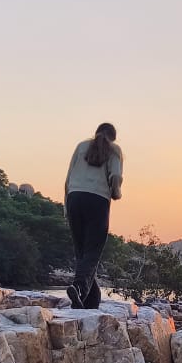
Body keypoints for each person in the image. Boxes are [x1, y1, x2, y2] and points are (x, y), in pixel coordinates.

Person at [63, 122, 123, 309]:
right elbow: (115, 177)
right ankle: (79, 288)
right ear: (113, 137)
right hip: (97, 201)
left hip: (74, 198)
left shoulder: (81, 146)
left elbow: (68, 178)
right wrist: (116, 193)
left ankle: (90, 300)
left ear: (96, 133)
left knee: (82, 252)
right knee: (92, 252)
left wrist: (66, 207)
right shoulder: (114, 150)